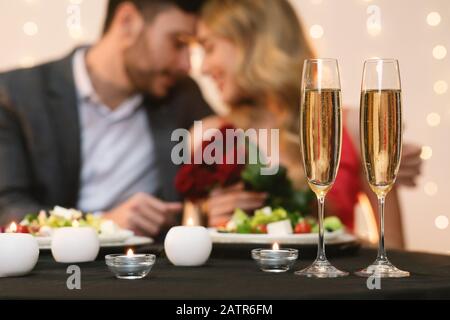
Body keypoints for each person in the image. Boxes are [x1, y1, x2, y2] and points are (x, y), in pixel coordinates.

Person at [196, 0, 422, 247]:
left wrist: (336, 240)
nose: (203, 67)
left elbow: (392, 251)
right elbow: (186, 247)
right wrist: (210, 221)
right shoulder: (206, 135)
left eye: (209, 48)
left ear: (251, 42)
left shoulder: (352, 127)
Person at [0, 0, 212, 238]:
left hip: (149, 266)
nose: (186, 64)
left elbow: (228, 153)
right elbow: (8, 207)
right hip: (52, 268)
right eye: (178, 43)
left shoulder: (182, 96)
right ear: (127, 22)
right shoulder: (14, 94)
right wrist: (103, 224)